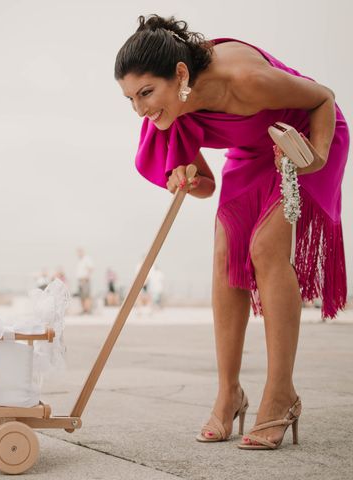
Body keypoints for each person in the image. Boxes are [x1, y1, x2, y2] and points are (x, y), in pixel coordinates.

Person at [115, 15, 348, 449]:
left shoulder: (244, 78)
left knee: (264, 249)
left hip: (305, 138)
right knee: (225, 254)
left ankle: (281, 394)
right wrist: (185, 178)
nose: (140, 109)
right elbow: (207, 186)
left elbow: (323, 99)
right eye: (130, 98)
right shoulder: (173, 112)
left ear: (180, 74)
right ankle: (229, 393)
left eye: (146, 93)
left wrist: (312, 158)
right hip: (250, 151)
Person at [75, 248, 94, 314]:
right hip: (80, 280)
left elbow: (91, 269)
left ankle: (88, 310)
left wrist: (86, 278)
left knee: (86, 295)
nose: (79, 253)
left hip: (85, 280)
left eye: (80, 252)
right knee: (81, 296)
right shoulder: (79, 260)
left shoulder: (87, 259)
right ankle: (84, 310)